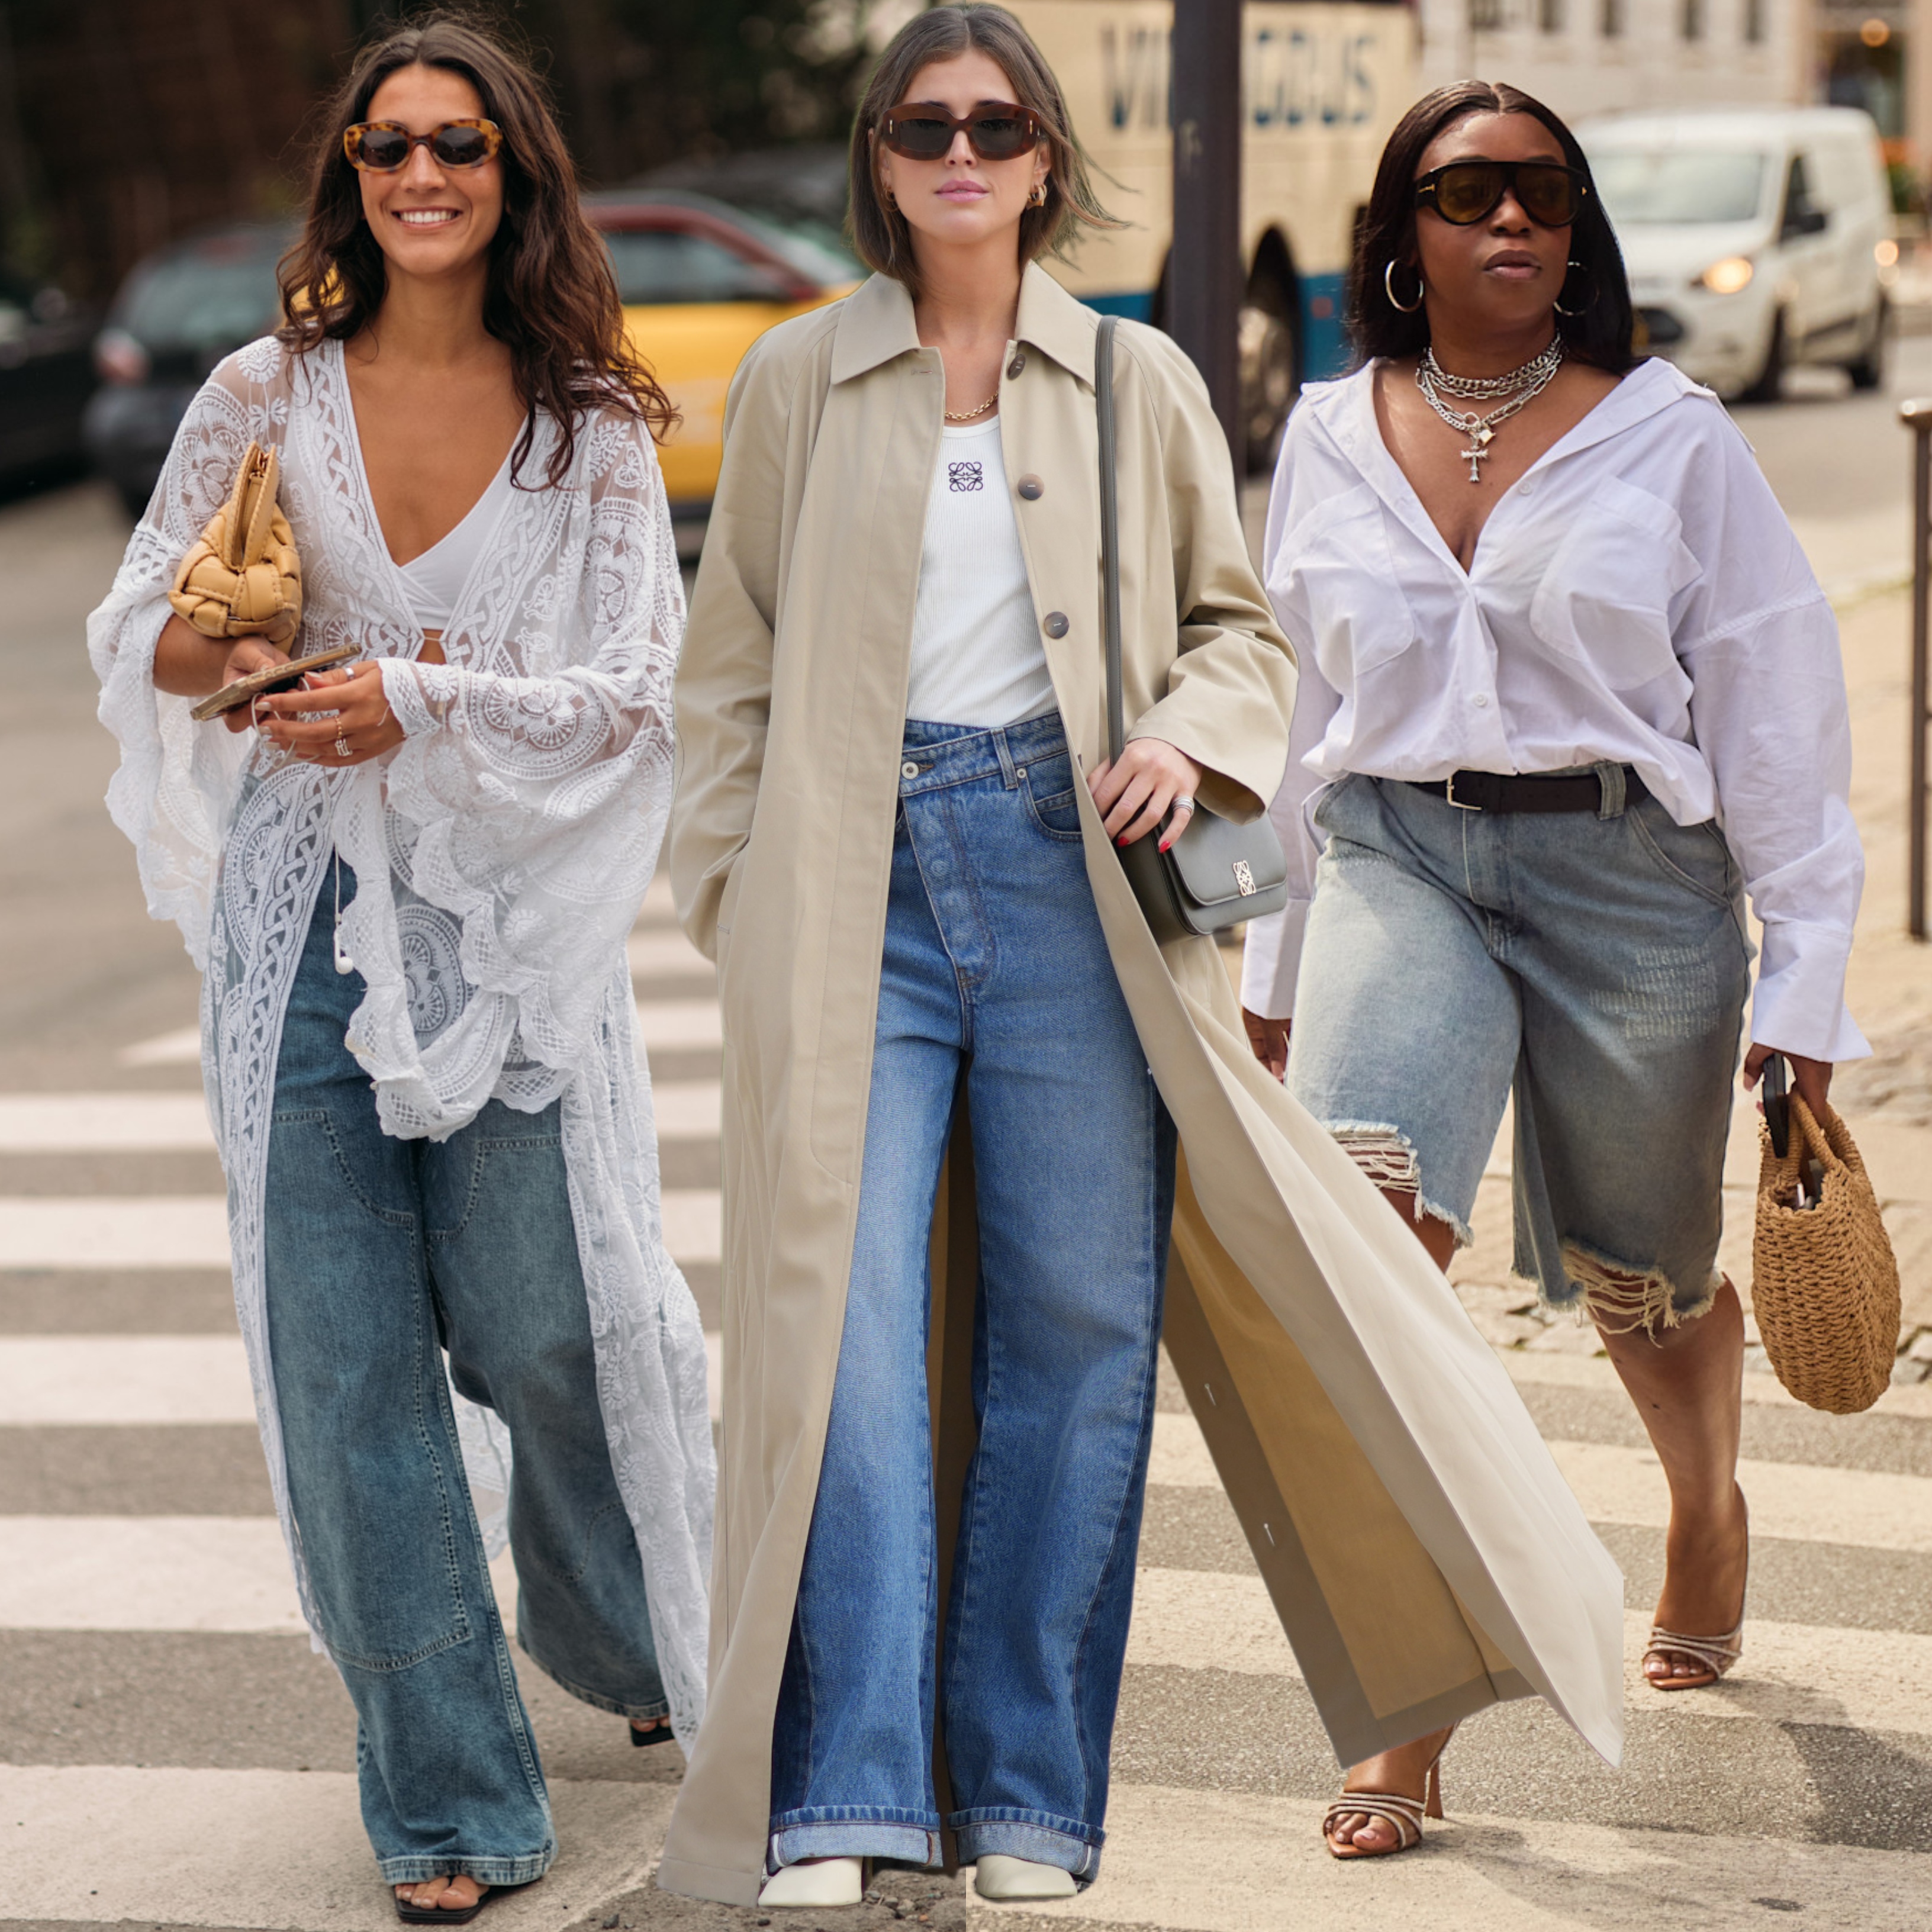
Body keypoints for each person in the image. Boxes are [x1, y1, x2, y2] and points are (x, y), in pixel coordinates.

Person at [659, 8, 1628, 1913]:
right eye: (924, 122)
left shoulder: (1132, 379)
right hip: (848, 896)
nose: (959, 149)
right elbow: (728, 680)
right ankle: (846, 1792)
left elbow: (1239, 631)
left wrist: (1189, 735)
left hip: (1076, 878)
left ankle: (1026, 1802)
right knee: (835, 1346)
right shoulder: (791, 380)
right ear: (881, 156)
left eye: (994, 122)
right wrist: (738, 901)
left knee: (1078, 1344)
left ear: (1040, 158)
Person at [87, 17, 713, 1922]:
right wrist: (233, 657)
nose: (420, 176)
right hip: (298, 941)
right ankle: (450, 1798)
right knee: (350, 1365)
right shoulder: (259, 392)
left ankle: (615, 1629)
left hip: (509, 943)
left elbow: (629, 694)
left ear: (515, 174)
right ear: (347, 178)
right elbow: (148, 635)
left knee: (538, 1329)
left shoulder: (589, 424)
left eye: (457, 147)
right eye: (384, 149)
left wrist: (418, 694)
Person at [1241, 79, 1867, 1859]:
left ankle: (1704, 1508)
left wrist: (1806, 999)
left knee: (1643, 1283)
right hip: (1398, 856)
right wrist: (1276, 945)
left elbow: (1774, 701)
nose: (1510, 220)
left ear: (1577, 230)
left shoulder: (1672, 435)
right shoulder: (1333, 430)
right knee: (1373, 1260)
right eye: (1466, 191)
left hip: (1631, 879)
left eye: (1542, 192)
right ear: (1402, 233)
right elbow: (1300, 713)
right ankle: (1408, 1704)